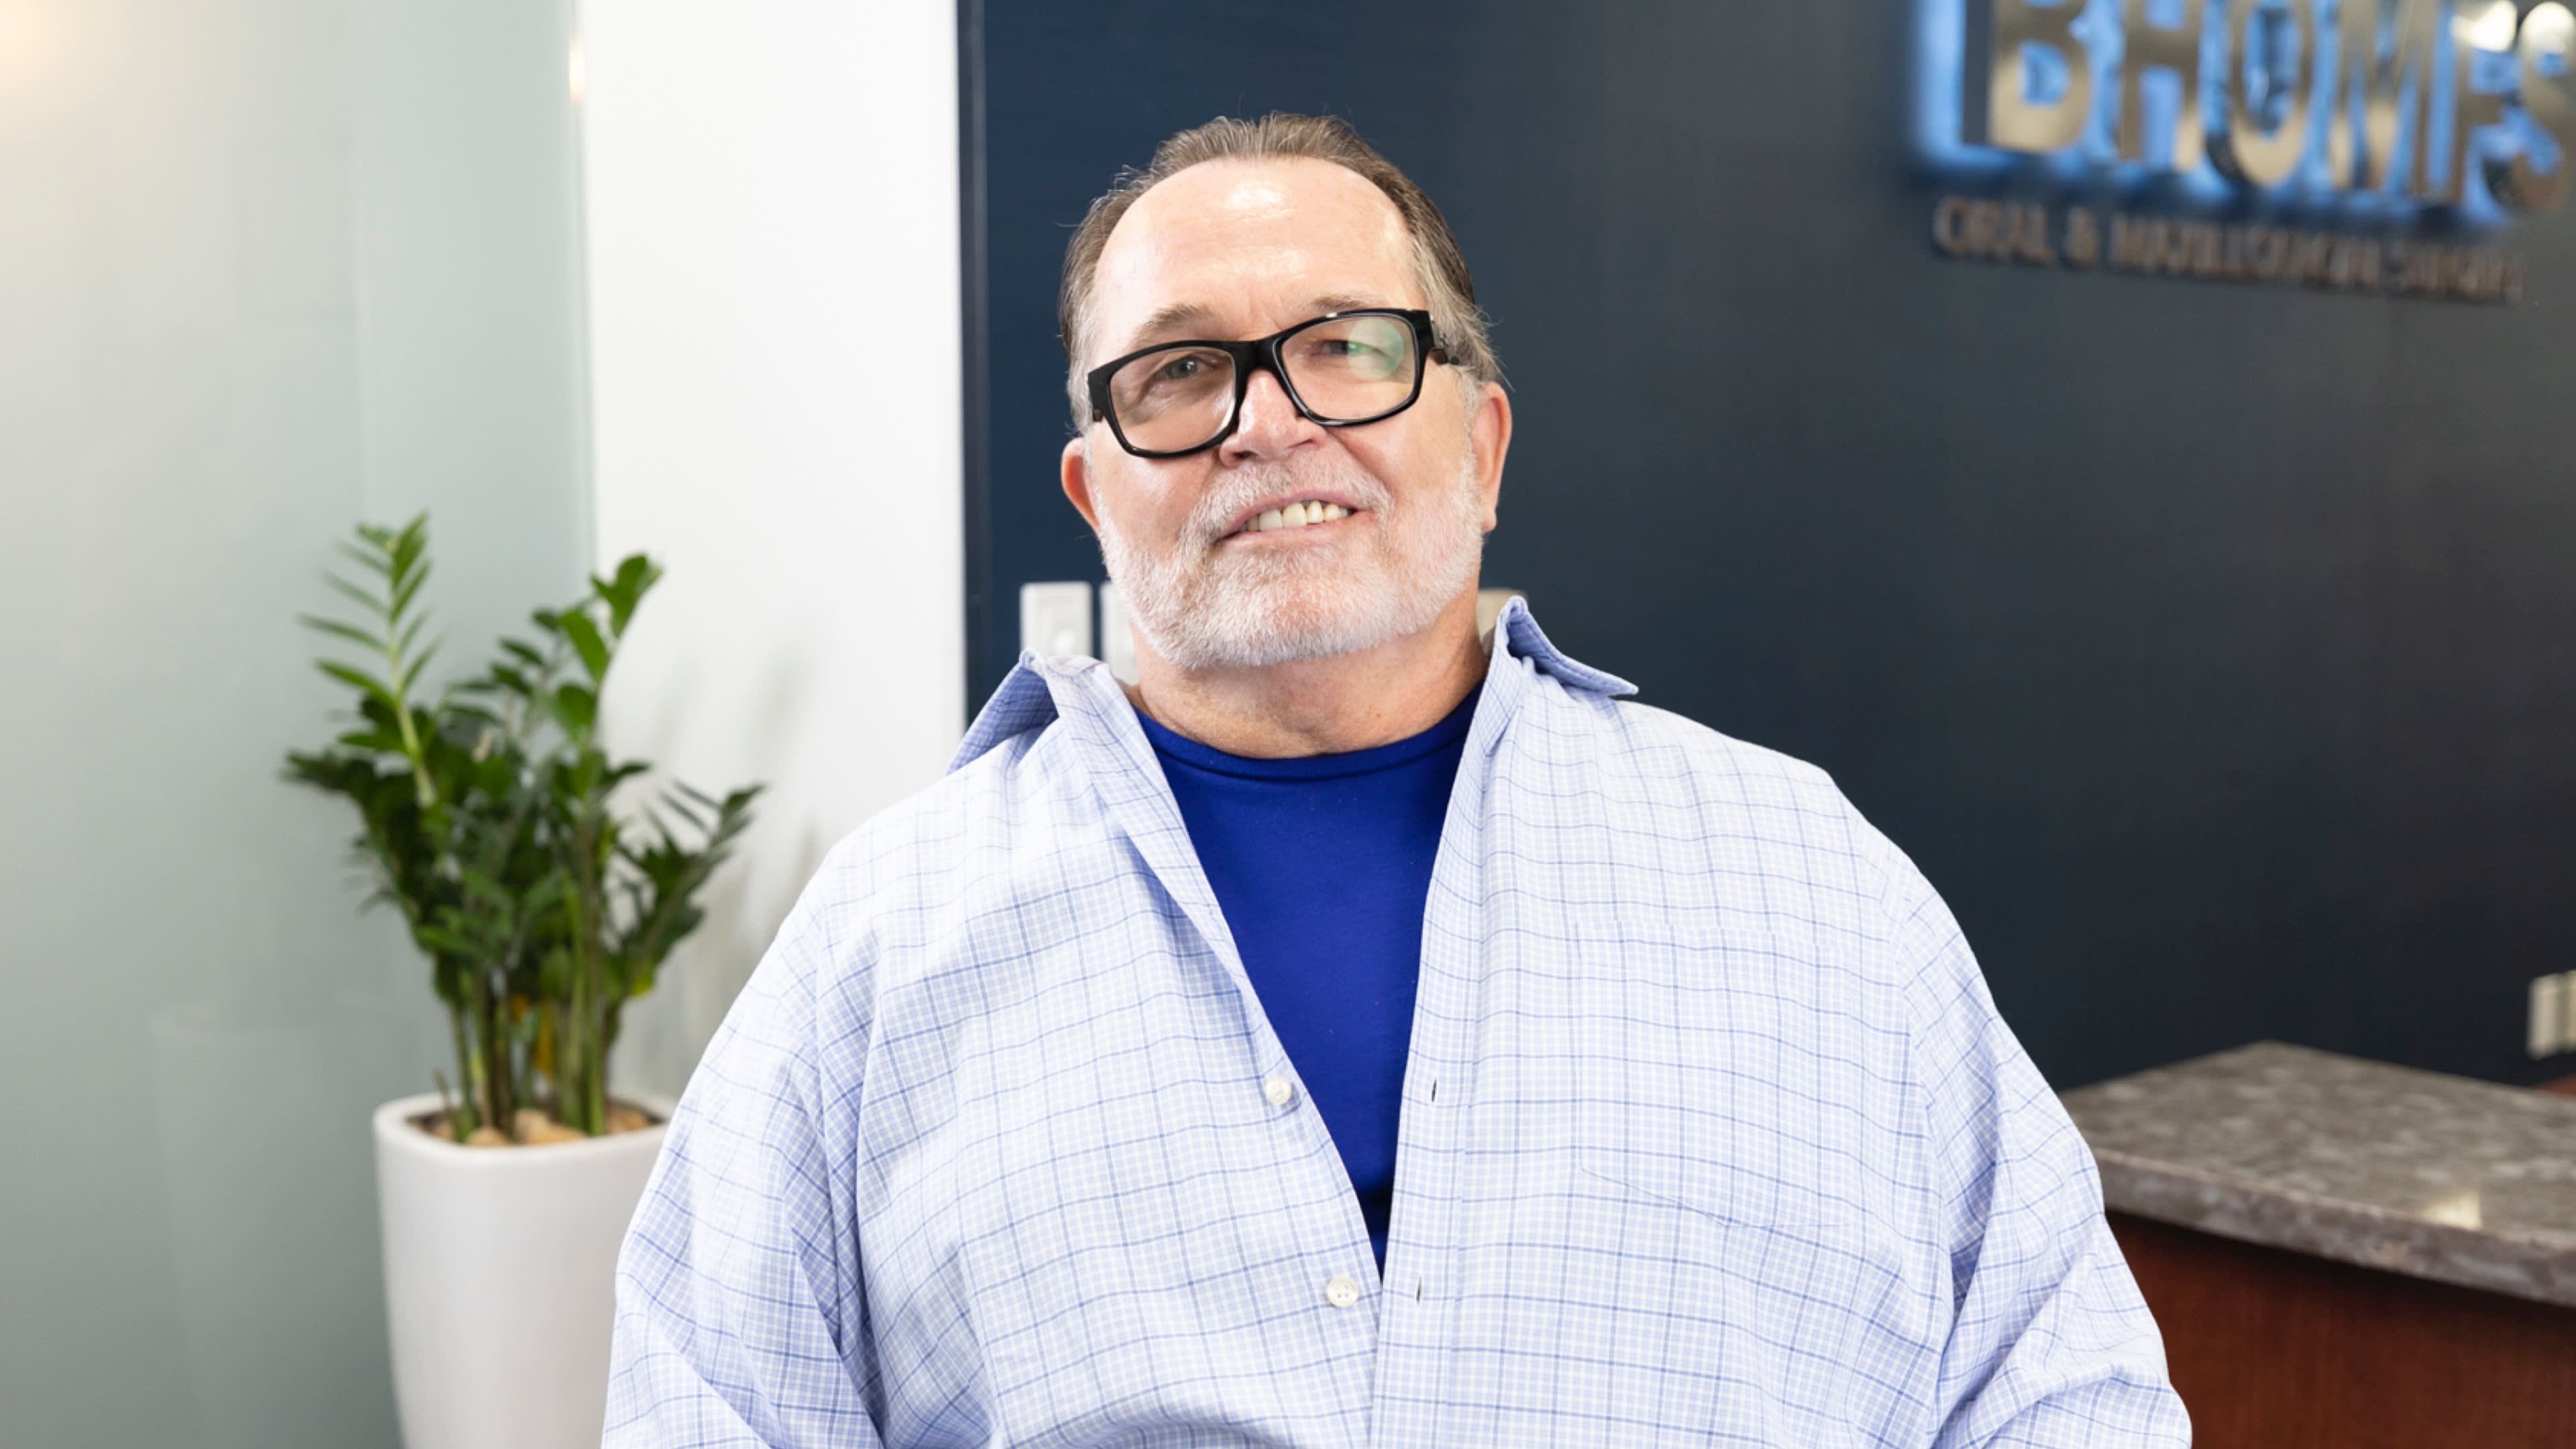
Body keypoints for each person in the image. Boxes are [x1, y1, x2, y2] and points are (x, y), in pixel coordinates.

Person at [605, 113, 2190, 1448]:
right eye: (1175, 375)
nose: (1268, 424)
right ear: (1097, 497)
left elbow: (2067, 1389)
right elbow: (710, 1405)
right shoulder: (882, 945)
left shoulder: (1813, 882)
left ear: (1484, 448)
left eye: (1349, 348)